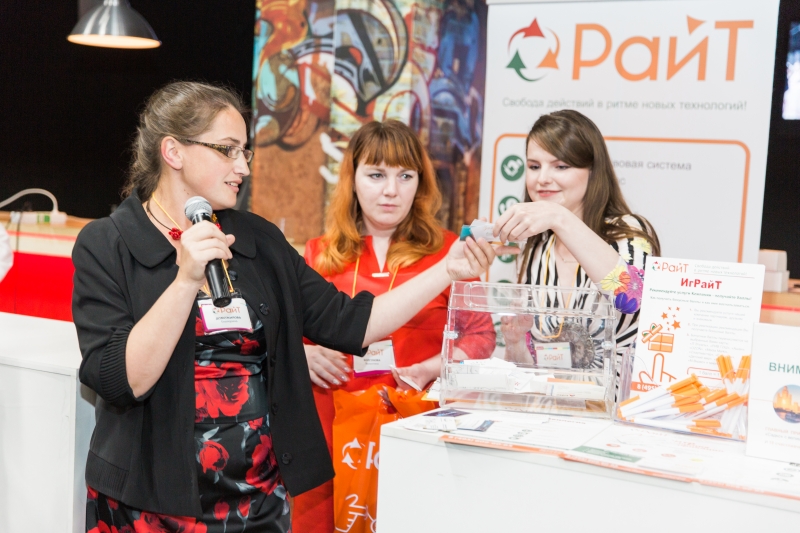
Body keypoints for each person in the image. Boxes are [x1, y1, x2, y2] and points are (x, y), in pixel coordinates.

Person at [71, 81, 512, 533]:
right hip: (151, 503)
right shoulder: (108, 244)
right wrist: (186, 280)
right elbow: (124, 380)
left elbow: (352, 323)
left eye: (245, 151)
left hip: (257, 501)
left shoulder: (257, 239)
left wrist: (447, 269)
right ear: (173, 152)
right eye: (227, 150)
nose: (243, 166)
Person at [292, 120, 496, 533]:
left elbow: (481, 337)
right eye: (376, 175)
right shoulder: (319, 253)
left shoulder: (450, 251)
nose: (391, 191)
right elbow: (281, 338)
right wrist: (304, 354)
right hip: (331, 432)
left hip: (416, 426)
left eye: (405, 176)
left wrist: (430, 367)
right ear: (352, 180)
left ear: (420, 184)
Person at [495, 110, 659, 371]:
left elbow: (632, 298)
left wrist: (559, 217)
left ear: (593, 171)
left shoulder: (628, 232)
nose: (542, 179)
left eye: (561, 166)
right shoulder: (535, 251)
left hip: (618, 395)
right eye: (534, 166)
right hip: (552, 396)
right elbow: (531, 368)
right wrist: (514, 341)